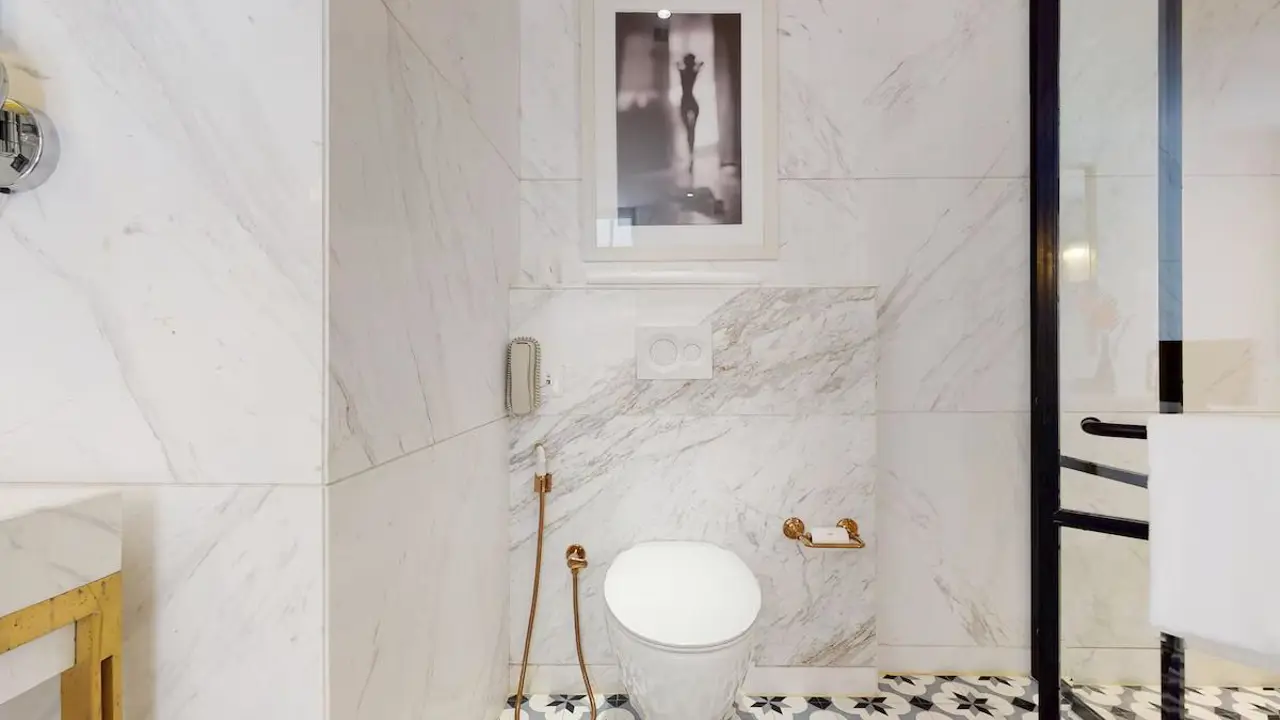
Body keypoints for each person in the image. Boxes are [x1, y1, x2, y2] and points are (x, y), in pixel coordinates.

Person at [676, 53, 704, 172]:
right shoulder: (692, 72)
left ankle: (691, 156)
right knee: (690, 132)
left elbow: (678, 65)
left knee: (689, 132)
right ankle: (691, 155)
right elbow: (701, 64)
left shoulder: (683, 72)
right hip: (690, 102)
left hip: (686, 102)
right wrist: (696, 64)